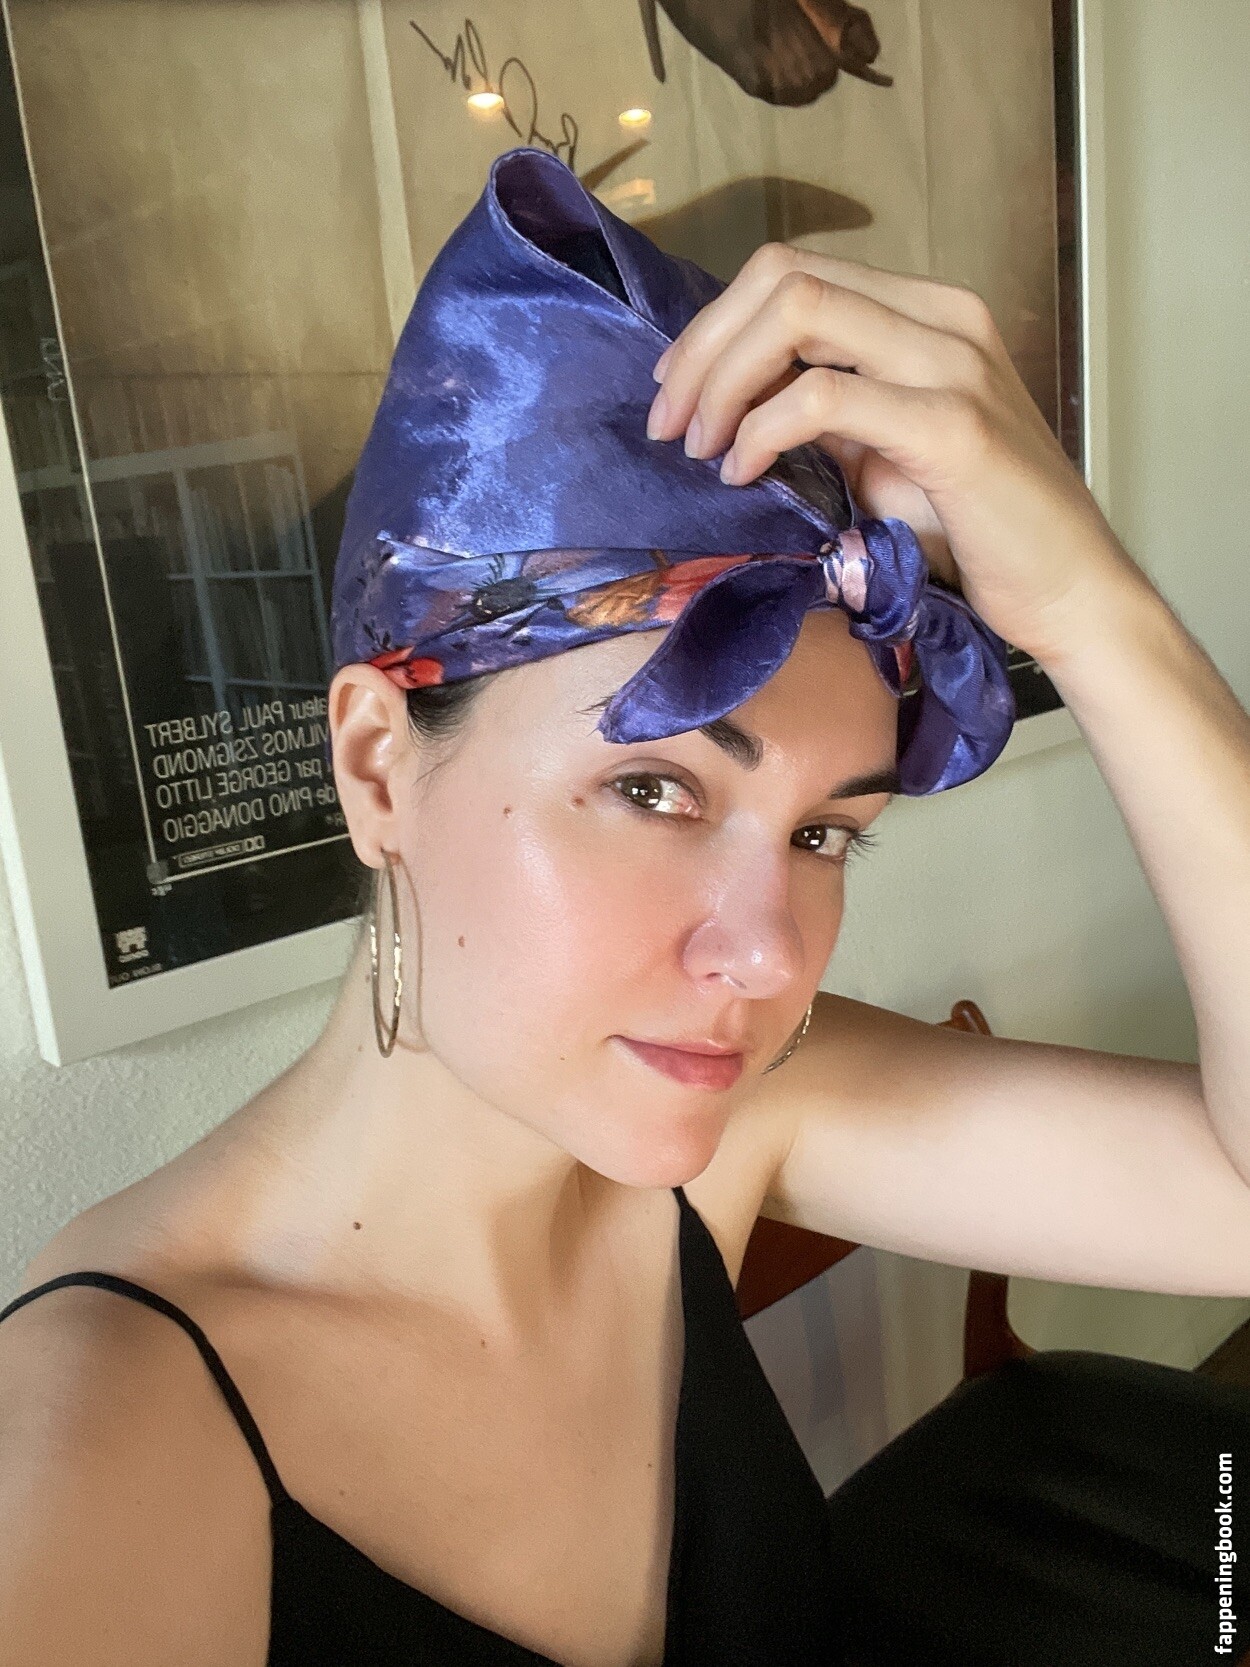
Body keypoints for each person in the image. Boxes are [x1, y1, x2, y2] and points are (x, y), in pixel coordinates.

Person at [1, 144, 1248, 1667]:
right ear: (378, 767)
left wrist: (1094, 611)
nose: (767, 956)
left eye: (825, 834)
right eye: (654, 791)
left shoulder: (732, 1129)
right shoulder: (98, 1460)